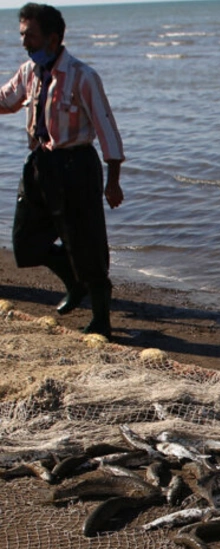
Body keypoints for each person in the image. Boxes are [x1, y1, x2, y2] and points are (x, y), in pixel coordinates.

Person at [0, 3, 124, 338]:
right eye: (22, 35)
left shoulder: (83, 76)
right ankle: (75, 281)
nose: (24, 43)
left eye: (30, 36)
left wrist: (113, 182)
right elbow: (7, 101)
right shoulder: (29, 71)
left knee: (86, 244)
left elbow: (107, 129)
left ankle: (101, 320)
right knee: (25, 243)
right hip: (40, 164)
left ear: (53, 39)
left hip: (76, 165)